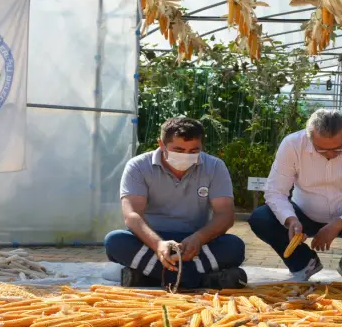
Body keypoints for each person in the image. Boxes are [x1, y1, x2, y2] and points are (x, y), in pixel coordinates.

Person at [249, 109, 342, 284]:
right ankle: (304, 264)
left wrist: (338, 224)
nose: (329, 154)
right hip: (305, 215)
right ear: (309, 137)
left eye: (338, 149)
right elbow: (275, 191)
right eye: (320, 149)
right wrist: (290, 220)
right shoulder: (292, 144)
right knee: (261, 218)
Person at [105, 117, 247, 289]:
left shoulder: (215, 167)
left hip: (196, 242)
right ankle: (202, 279)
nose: (186, 156)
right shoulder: (138, 166)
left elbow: (225, 215)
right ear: (161, 144)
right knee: (115, 242)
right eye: (178, 150)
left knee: (234, 247)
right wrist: (158, 244)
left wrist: (199, 238)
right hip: (150, 240)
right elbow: (132, 215)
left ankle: (152, 277)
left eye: (194, 151)